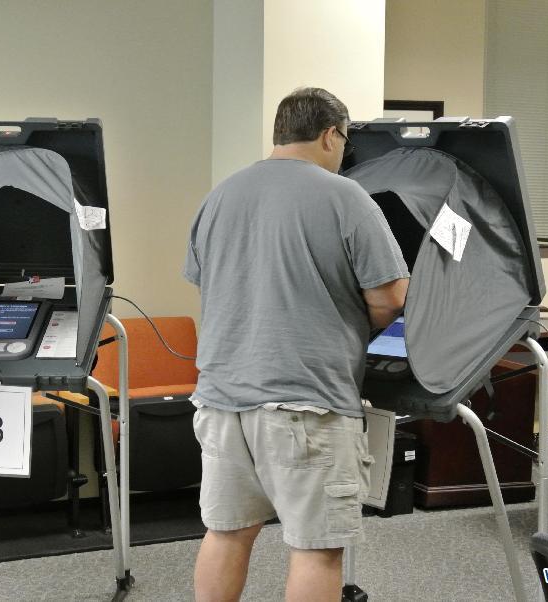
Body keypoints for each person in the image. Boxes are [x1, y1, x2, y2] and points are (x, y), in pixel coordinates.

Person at [183, 87, 409, 602]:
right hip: (306, 404)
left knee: (226, 533)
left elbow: (211, 280)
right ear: (331, 135)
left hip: (221, 400)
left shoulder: (221, 194)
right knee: (316, 549)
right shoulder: (345, 195)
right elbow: (391, 297)